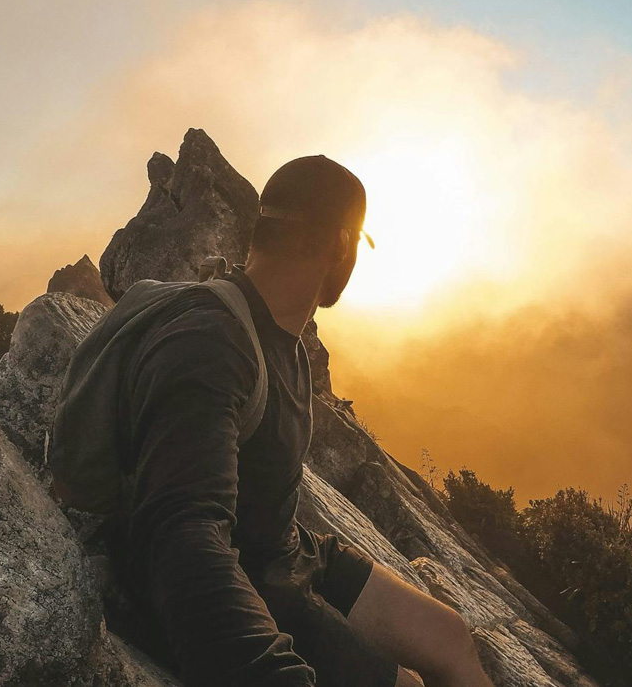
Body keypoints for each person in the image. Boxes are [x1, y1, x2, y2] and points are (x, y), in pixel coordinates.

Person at [109, 156, 495, 686]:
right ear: (341, 242)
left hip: (284, 548)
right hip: (245, 574)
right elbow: (183, 537)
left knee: (450, 638)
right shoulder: (211, 343)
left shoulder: (280, 334)